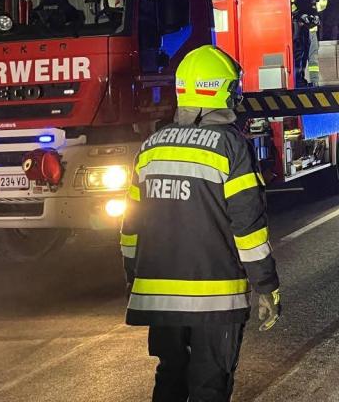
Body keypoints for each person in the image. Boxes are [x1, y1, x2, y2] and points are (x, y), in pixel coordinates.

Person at [120, 45, 281, 402]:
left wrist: (132, 274)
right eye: (233, 88)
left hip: (159, 297)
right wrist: (266, 285)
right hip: (215, 298)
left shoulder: (151, 147)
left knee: (169, 377)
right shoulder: (230, 147)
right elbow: (248, 230)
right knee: (210, 383)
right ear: (220, 91)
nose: (237, 96)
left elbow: (130, 226)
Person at [282, 0, 324, 86]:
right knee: (298, 53)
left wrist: (315, 16)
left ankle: (304, 80)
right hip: (296, 24)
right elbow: (288, 4)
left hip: (307, 25)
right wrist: (300, 15)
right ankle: (296, 81)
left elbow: (313, 5)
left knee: (306, 53)